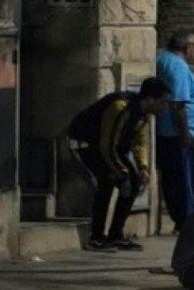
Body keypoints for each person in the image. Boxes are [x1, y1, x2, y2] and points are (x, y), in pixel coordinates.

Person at [66, 77, 171, 252]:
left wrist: (142, 167)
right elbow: (108, 144)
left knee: (135, 181)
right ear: (150, 99)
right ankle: (96, 237)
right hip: (85, 145)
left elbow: (140, 142)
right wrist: (122, 173)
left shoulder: (144, 114)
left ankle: (116, 234)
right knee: (107, 179)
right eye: (163, 102)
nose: (164, 107)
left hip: (110, 149)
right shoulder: (120, 107)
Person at [155, 29, 194, 233]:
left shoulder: (164, 59)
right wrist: (185, 133)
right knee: (184, 180)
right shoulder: (177, 66)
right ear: (189, 47)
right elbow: (178, 103)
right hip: (177, 135)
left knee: (176, 178)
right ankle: (186, 221)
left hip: (171, 133)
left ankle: (183, 218)